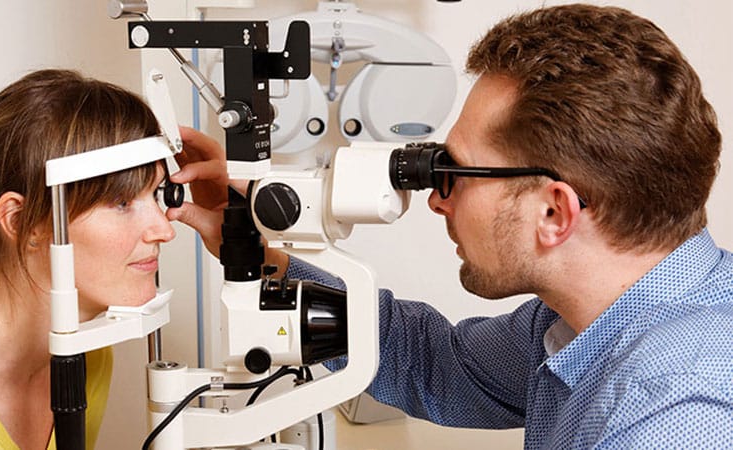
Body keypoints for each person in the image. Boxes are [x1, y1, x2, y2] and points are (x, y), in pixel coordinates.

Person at [167, 4, 733, 449]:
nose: (438, 202)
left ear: (554, 212)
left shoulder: (675, 407)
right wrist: (257, 248)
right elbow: (432, 363)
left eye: (452, 173)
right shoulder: (579, 323)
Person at [0, 69, 176, 449]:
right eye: (121, 202)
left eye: (156, 194)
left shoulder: (85, 354)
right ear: (22, 222)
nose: (164, 231)